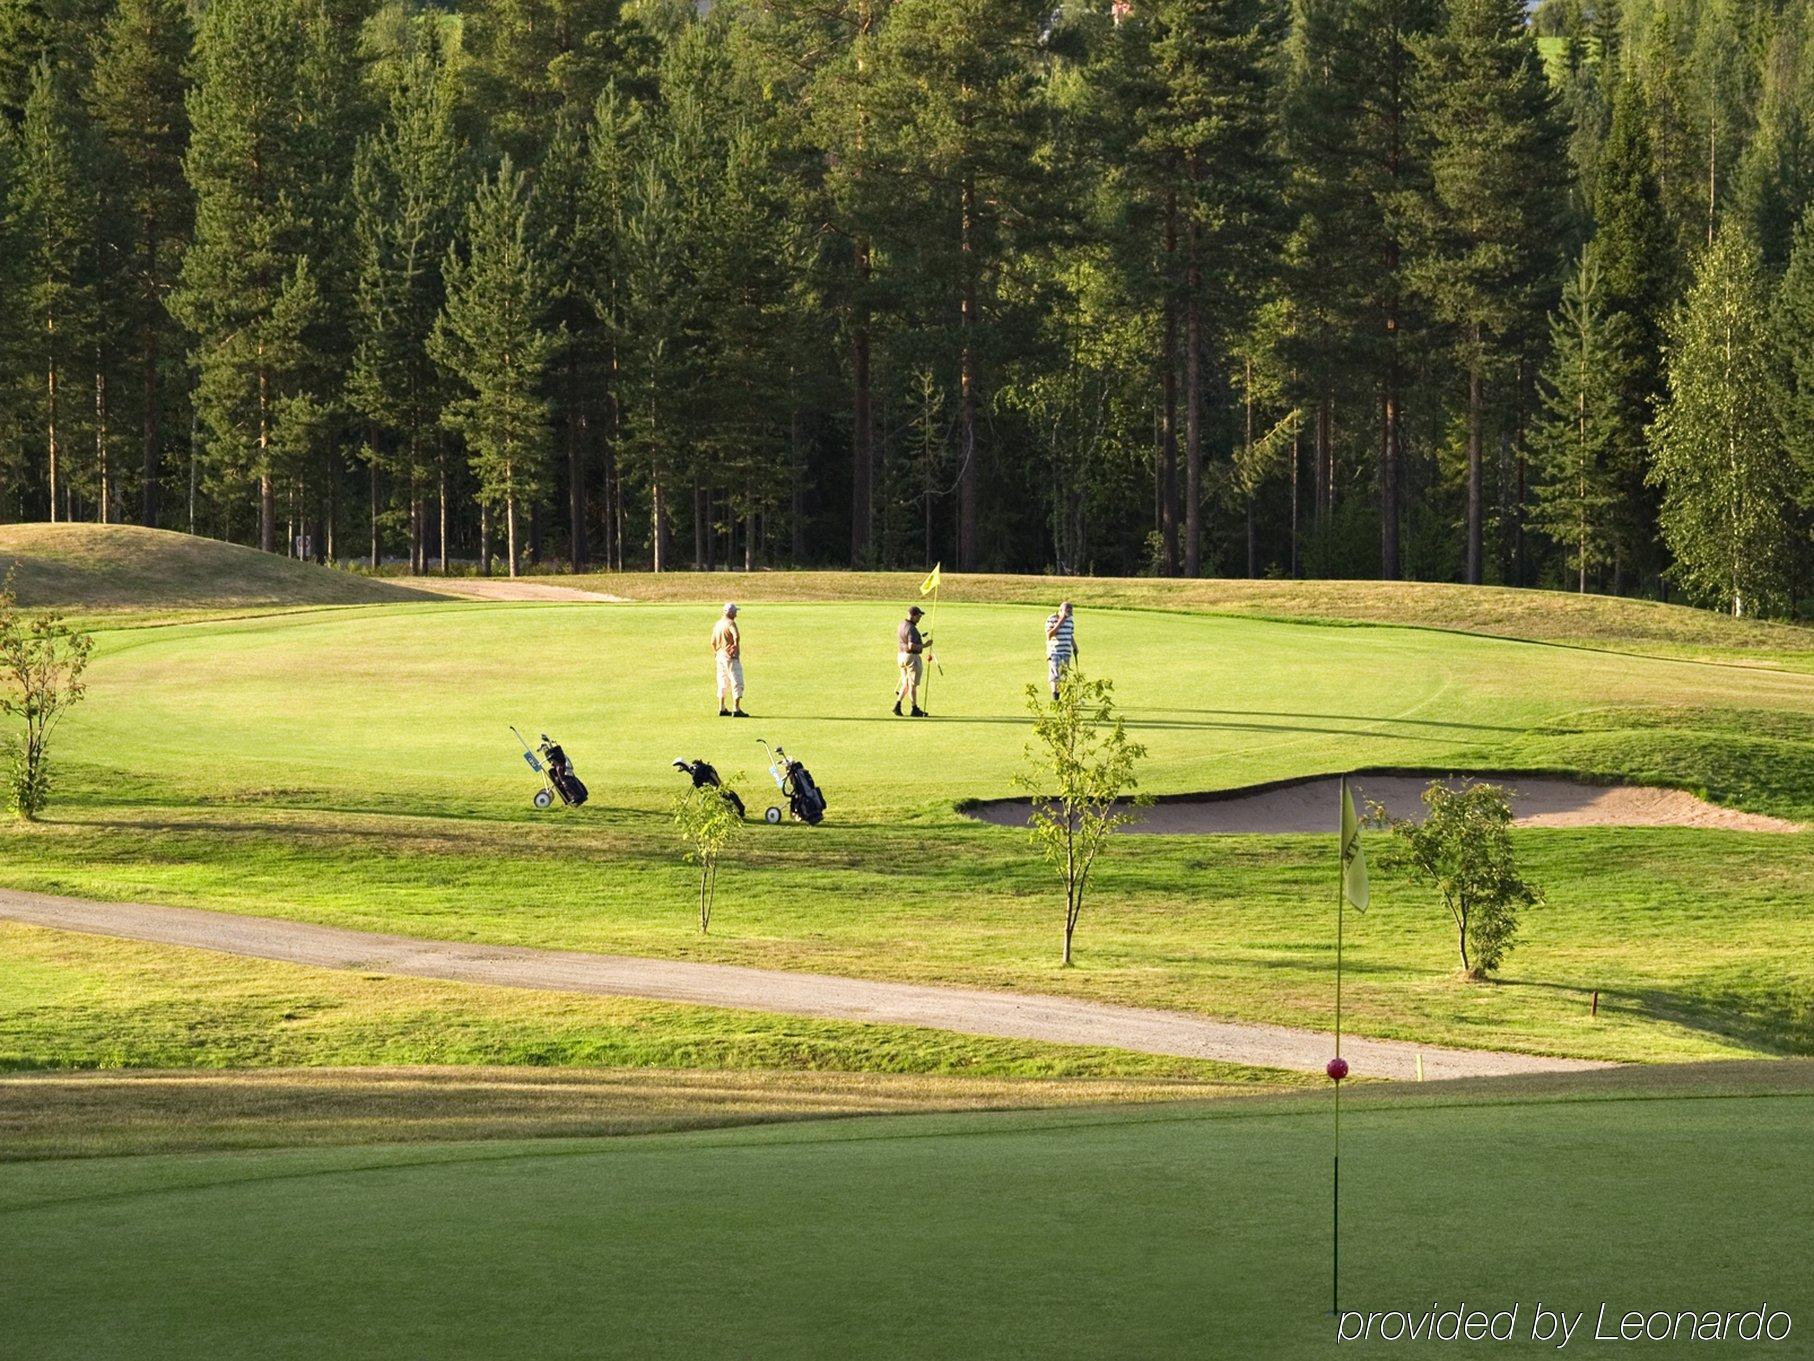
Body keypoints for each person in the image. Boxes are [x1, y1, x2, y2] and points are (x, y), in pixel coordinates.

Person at [711, 603, 747, 717]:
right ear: (730, 613)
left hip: (720, 655)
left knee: (722, 681)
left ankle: (721, 707)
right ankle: (736, 708)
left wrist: (716, 652)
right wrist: (735, 646)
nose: (736, 614)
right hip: (730, 656)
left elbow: (712, 641)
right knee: (737, 680)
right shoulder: (730, 623)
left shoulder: (718, 624)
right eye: (735, 612)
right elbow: (736, 635)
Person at [894, 605, 929, 717]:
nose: (920, 618)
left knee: (906, 684)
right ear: (913, 616)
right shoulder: (912, 628)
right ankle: (914, 709)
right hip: (911, 657)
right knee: (912, 685)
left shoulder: (901, 625)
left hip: (901, 656)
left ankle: (897, 706)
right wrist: (924, 645)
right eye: (918, 616)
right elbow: (911, 645)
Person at [1044, 600, 1078, 700]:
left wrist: (1075, 647)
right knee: (1055, 675)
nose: (1068, 615)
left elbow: (1070, 635)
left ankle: (1061, 697)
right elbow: (1049, 635)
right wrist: (1060, 621)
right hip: (1054, 651)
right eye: (1066, 612)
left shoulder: (1070, 620)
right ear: (1060, 610)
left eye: (1070, 613)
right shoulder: (1052, 619)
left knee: (1063, 676)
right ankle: (1055, 697)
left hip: (1066, 651)